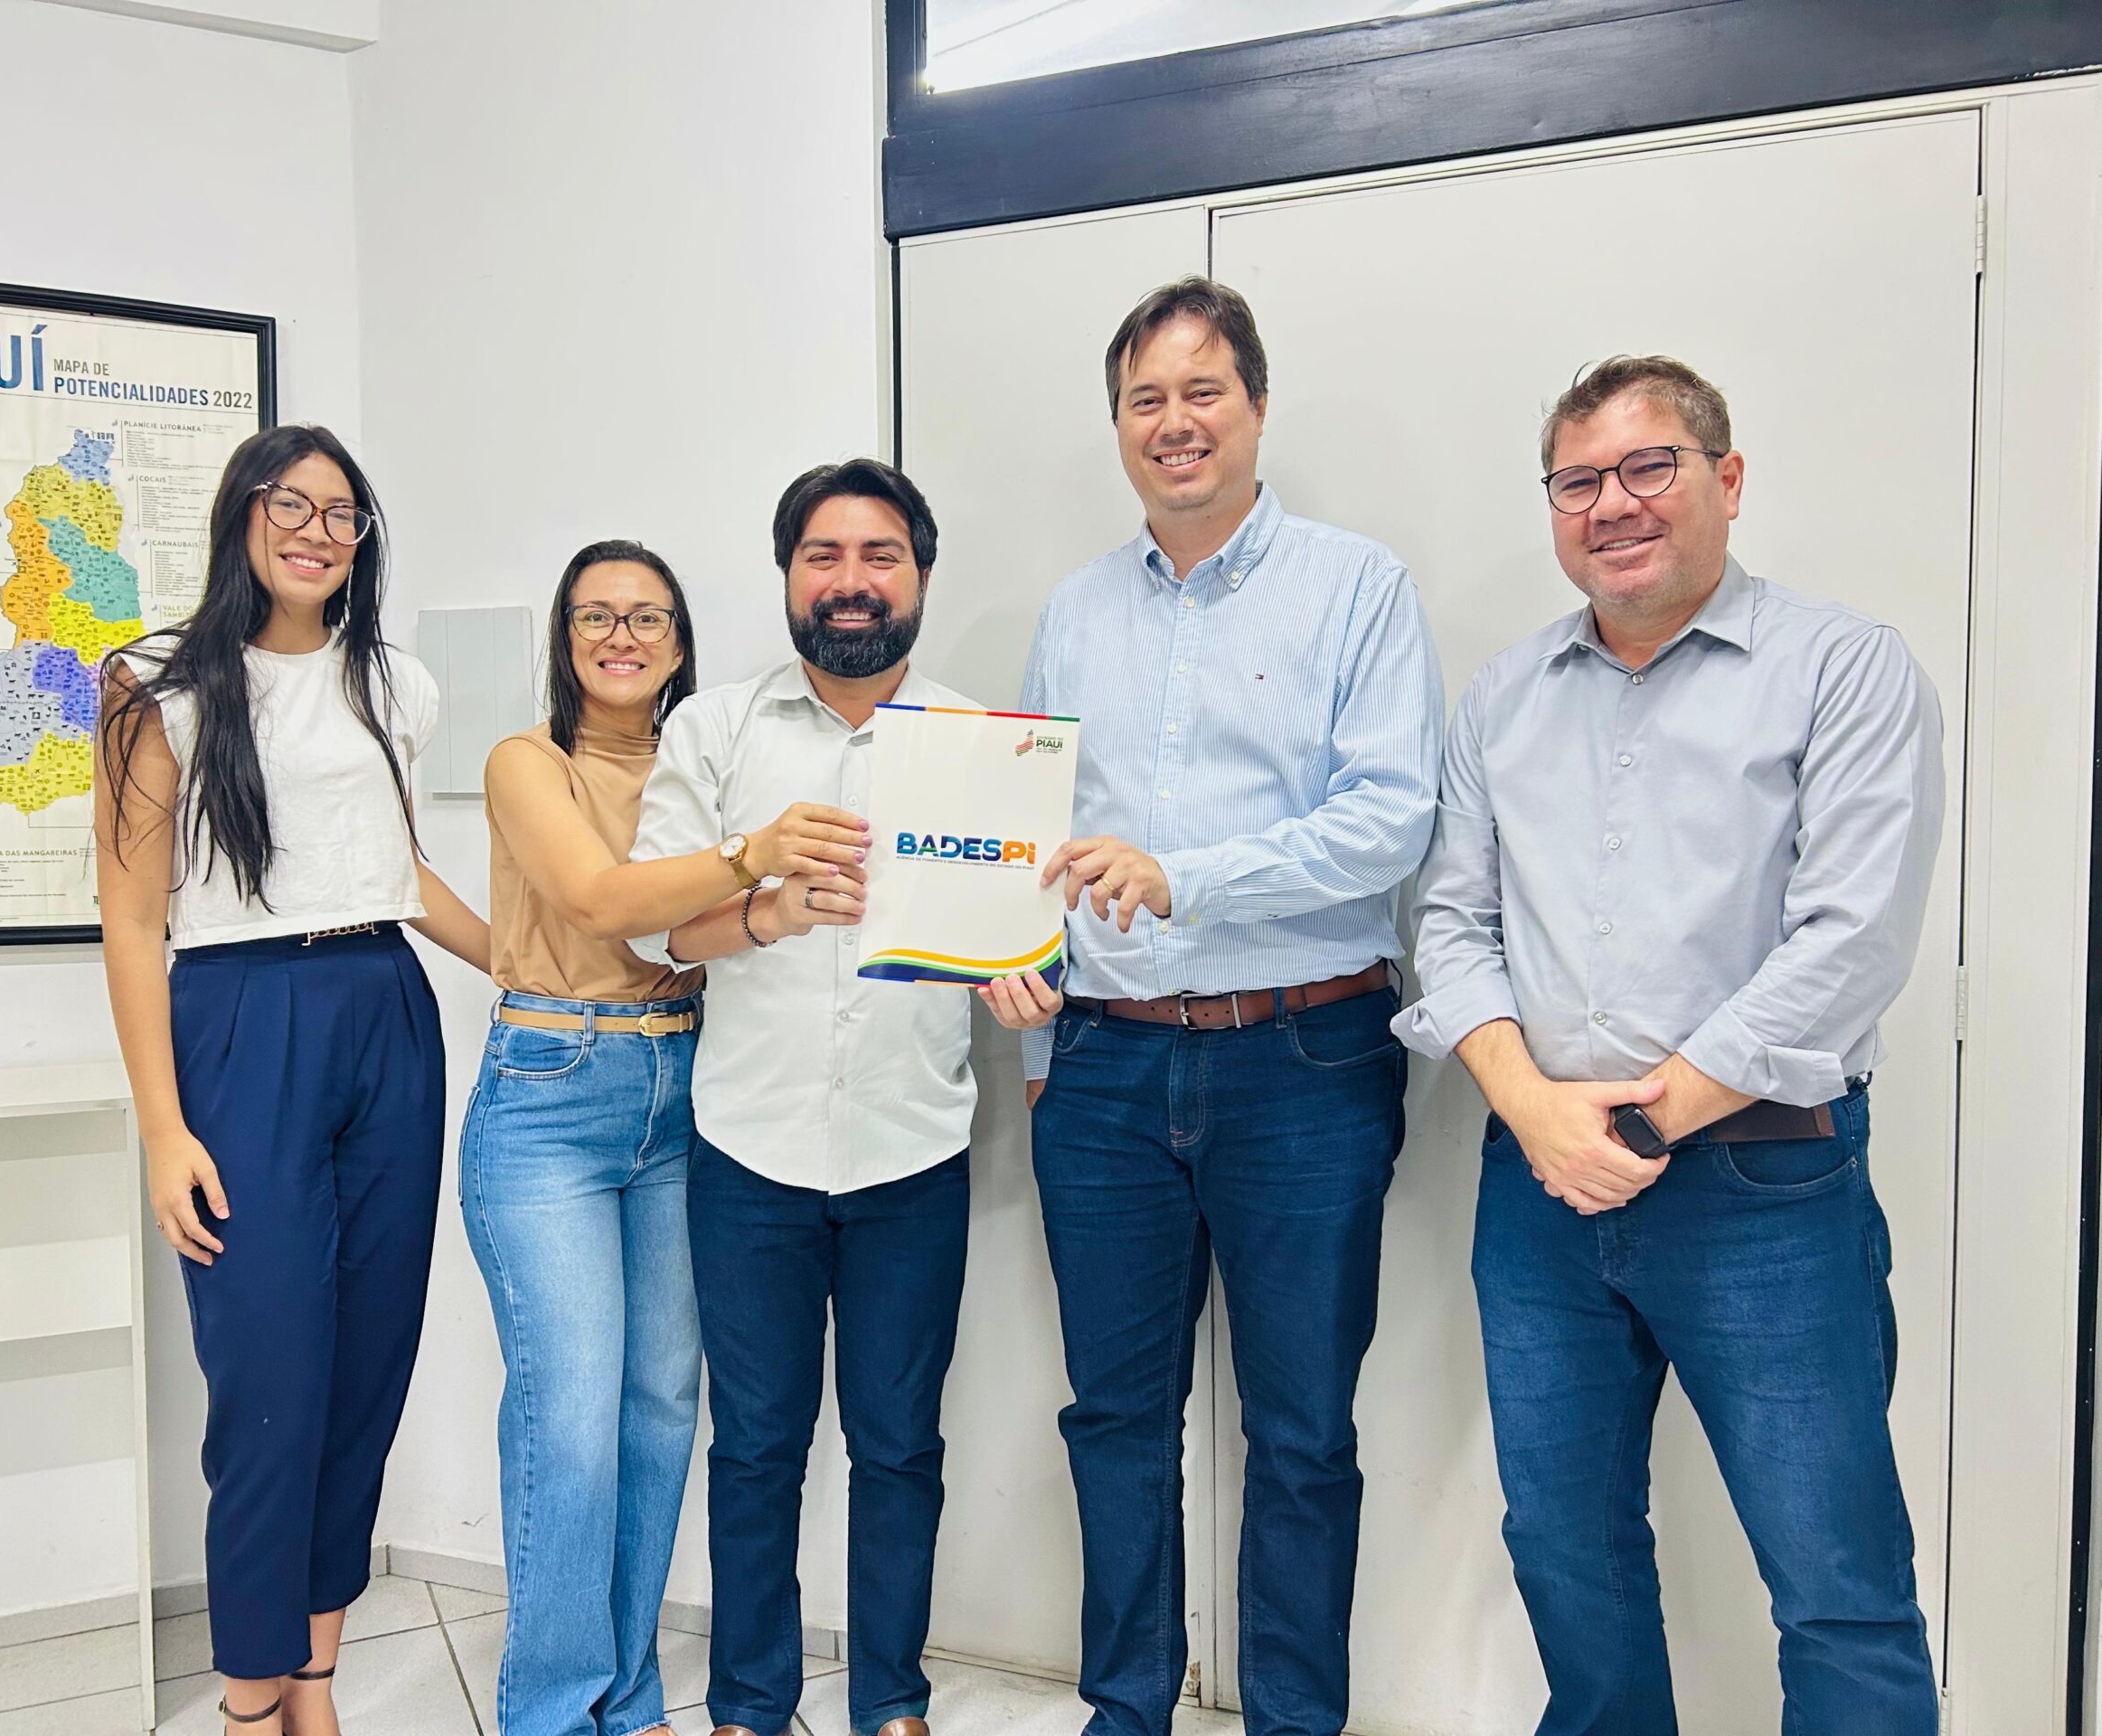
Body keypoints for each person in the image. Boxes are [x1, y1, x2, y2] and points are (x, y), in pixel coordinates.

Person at [1395, 355, 1944, 1733]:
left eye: (1651, 467)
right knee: (1565, 1547)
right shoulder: (1504, 696)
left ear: (1728, 480)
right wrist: (1535, 1111)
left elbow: (1851, 943)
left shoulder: (1843, 669)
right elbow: (1451, 922)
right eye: (1579, 481)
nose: (1613, 504)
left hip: (1766, 1188)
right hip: (1539, 1187)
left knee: (1834, 1577)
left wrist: (1637, 1125)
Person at [1015, 277, 1446, 1736]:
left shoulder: (1357, 586)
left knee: (1304, 1431)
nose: (1175, 422)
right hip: (1104, 1066)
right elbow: (1031, 838)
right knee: (1113, 1419)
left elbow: (1391, 822)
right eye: (1145, 399)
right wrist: (1030, 997)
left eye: (1203, 391)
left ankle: (1293, 1721)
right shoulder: (1074, 612)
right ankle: (1125, 1711)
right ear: (1119, 426)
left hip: (1304, 1060)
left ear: (1256, 407)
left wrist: (1182, 880)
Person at [627, 459, 1057, 1736]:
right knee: (756, 1446)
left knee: (900, 1446)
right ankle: (749, 1704)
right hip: (748, 1152)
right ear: (788, 575)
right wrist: (761, 902)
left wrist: (1023, 985)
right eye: (824, 555)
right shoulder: (716, 730)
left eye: (881, 556)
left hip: (910, 1152)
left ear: (919, 577)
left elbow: (1020, 935)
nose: (852, 581)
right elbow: (651, 931)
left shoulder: (987, 746)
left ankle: (892, 1702)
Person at [96, 424, 491, 1735]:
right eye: (292, 504)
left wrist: (524, 961)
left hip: (385, 1006)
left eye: (342, 513)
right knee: (267, 1381)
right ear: (242, 514)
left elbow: (394, 867)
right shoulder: (156, 684)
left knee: (366, 1369)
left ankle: (314, 1678)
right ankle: (248, 1700)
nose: (318, 532)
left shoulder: (393, 684)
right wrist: (163, 1129)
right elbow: (132, 920)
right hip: (238, 1017)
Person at [457, 537, 864, 1736]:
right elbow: (601, 902)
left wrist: (778, 899)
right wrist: (753, 856)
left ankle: (625, 1696)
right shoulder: (528, 761)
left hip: (688, 1083)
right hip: (551, 1091)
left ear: (680, 642)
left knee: (659, 1411)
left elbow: (717, 928)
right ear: (564, 639)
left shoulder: (707, 763)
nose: (621, 636)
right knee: (573, 1417)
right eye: (595, 616)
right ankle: (550, 1711)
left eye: (646, 617)